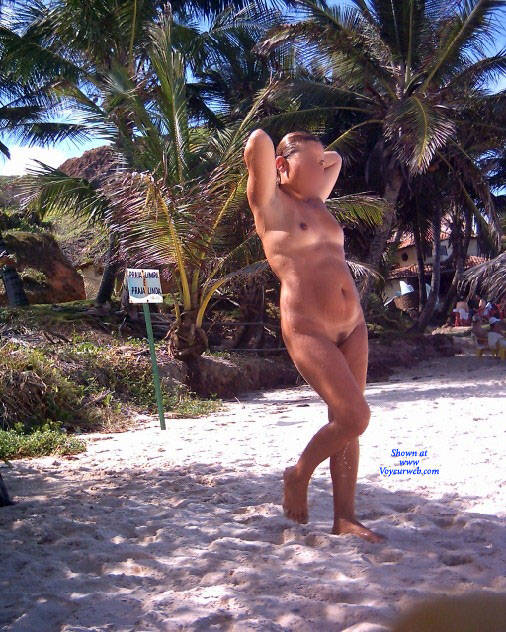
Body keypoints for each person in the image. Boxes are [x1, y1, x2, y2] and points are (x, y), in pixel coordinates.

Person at [243, 128, 385, 543]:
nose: (324, 168)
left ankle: (345, 518)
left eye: (322, 162)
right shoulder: (271, 204)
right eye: (314, 163)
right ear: (282, 166)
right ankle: (299, 473)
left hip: (353, 325)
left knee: (346, 421)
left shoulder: (317, 202)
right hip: (308, 327)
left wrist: (316, 156)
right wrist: (285, 154)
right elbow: (257, 141)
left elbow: (335, 160)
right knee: (355, 417)